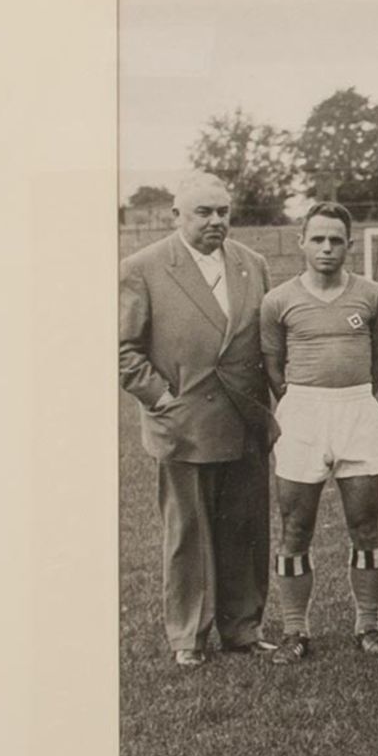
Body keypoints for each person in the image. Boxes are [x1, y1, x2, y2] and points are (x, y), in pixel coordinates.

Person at [117, 173, 276, 666]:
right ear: (176, 216)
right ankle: (188, 636)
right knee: (188, 534)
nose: (215, 221)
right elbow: (124, 350)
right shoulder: (142, 268)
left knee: (245, 529)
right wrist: (162, 398)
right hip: (184, 423)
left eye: (223, 212)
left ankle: (243, 628)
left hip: (245, 419)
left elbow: (264, 341)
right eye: (203, 212)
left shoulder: (254, 265)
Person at [259, 203, 378, 661]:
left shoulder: (373, 295)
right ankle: (295, 631)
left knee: (365, 526)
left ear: (349, 245)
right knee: (295, 527)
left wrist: (354, 394)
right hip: (302, 412)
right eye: (317, 238)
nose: (326, 248)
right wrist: (300, 399)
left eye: (335, 239)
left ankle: (369, 625)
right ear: (301, 242)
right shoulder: (278, 300)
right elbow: (272, 362)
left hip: (357, 409)